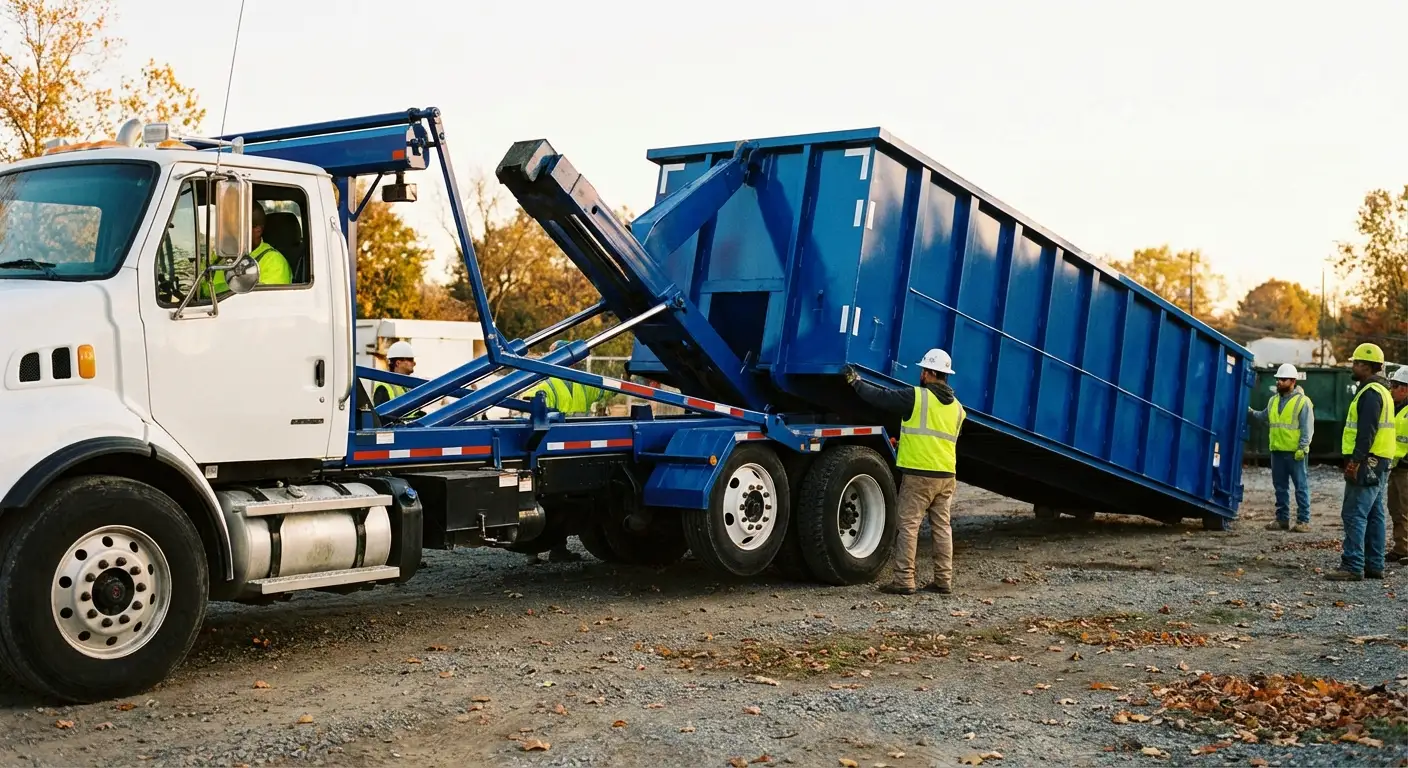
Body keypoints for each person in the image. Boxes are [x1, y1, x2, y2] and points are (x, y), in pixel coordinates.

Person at [843, 349, 966, 596]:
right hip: (946, 476)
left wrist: (855, 383)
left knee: (909, 526)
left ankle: (904, 580)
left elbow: (881, 398)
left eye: (924, 370)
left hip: (920, 475)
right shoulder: (958, 408)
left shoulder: (917, 397)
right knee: (942, 528)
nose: (921, 374)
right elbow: (941, 438)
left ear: (932, 373)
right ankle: (944, 580)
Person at [1329, 343, 1395, 581]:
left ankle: (1353, 565)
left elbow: (1366, 431)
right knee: (1375, 513)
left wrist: (1356, 461)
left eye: (1356, 363)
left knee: (1354, 513)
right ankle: (1374, 565)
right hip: (1381, 460)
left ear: (1366, 366)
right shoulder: (1384, 392)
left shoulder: (1370, 393)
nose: (1353, 367)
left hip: (1368, 460)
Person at [1246, 363, 1314, 531]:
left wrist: (1303, 447)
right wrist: (1249, 412)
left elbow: (1307, 427)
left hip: (1295, 452)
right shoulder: (1273, 400)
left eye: (1283, 380)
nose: (1279, 382)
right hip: (1277, 451)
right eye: (1278, 379)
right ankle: (1282, 520)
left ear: (1293, 381)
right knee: (1280, 487)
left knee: (1301, 487)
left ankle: (1303, 521)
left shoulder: (1303, 402)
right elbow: (1263, 417)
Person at [208, 203, 292, 295]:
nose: (227, 231)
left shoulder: (274, 262)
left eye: (235, 227)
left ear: (257, 230)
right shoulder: (221, 255)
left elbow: (262, 302)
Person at [370, 341, 424, 419]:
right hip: (396, 430)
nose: (414, 363)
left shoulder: (407, 385)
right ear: (398, 363)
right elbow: (382, 419)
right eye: (411, 360)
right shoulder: (383, 386)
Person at [1387, 367, 1408, 563]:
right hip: (1396, 468)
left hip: (1405, 469)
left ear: (1406, 389)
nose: (1391, 389)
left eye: (1395, 386)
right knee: (1396, 509)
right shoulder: (1396, 408)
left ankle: (1404, 548)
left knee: (1404, 509)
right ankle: (1401, 547)